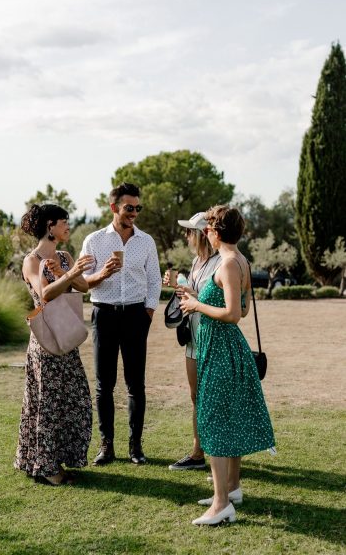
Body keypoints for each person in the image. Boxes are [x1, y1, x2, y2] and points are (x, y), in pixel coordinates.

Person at [180, 205, 275, 525]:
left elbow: (235, 314)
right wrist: (200, 298)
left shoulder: (229, 263)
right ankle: (232, 489)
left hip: (221, 351)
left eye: (207, 227)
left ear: (216, 232)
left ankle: (221, 505)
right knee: (227, 419)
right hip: (221, 349)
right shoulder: (240, 261)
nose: (205, 232)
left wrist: (195, 304)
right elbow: (244, 309)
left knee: (215, 422)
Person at [81, 182, 162, 465]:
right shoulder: (94, 241)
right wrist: (102, 273)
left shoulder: (146, 242)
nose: (134, 213)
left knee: (135, 384)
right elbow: (81, 282)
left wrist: (148, 313)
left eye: (138, 208)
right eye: (129, 208)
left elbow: (154, 280)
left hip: (136, 316)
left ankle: (135, 446)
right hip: (103, 314)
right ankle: (106, 446)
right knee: (105, 384)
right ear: (114, 207)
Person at [14, 204, 93, 486]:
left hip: (67, 336)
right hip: (45, 340)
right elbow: (44, 294)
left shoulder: (64, 255)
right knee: (47, 403)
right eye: (63, 222)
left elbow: (83, 287)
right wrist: (67, 275)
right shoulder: (31, 260)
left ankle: (51, 459)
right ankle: (47, 468)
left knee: (74, 400)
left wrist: (68, 270)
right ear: (50, 226)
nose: (67, 226)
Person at [165, 212, 221, 472]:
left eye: (189, 231)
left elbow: (221, 303)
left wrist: (190, 292)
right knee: (196, 396)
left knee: (215, 398)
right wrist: (179, 284)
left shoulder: (222, 262)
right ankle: (198, 453)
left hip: (212, 337)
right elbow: (193, 295)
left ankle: (222, 456)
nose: (186, 236)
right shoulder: (197, 261)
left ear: (200, 234)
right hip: (193, 339)